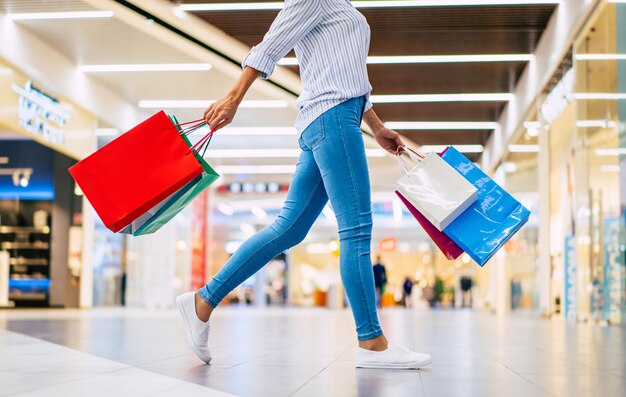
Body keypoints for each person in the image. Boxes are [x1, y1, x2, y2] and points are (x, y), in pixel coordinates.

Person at [175, 0, 431, 370]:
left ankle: (202, 301)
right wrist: (233, 98)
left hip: (330, 118)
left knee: (288, 229)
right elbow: (271, 44)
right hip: (333, 119)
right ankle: (371, 343)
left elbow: (345, 71)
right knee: (356, 230)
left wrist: (375, 125)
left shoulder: (338, 5)